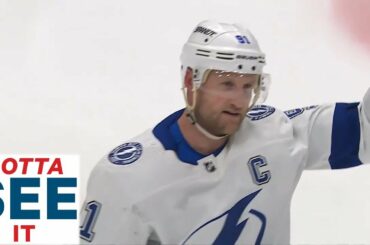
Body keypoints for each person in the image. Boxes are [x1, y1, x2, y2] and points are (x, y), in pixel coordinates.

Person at [79, 20, 370, 244]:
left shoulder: (274, 135)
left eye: (248, 86)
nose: (239, 100)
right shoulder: (124, 179)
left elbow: (364, 132)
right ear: (190, 79)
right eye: (227, 84)